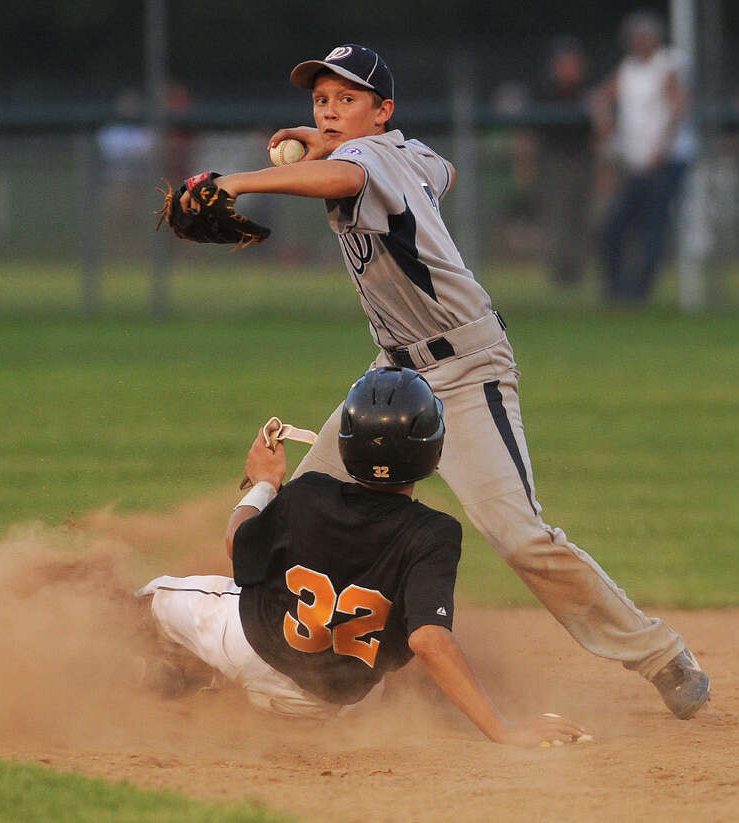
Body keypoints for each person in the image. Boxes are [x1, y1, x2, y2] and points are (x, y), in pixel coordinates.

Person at [171, 44, 710, 719]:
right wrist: (323, 143)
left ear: (382, 110)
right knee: (308, 509)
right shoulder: (404, 154)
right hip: (393, 372)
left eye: (346, 99)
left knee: (522, 538)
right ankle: (266, 658)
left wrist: (244, 182)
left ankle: (661, 654)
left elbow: (345, 179)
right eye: (320, 100)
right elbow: (441, 171)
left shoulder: (365, 162)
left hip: (466, 370)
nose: (329, 108)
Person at [139, 367, 588, 746]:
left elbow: (238, 548)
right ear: (433, 452)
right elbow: (429, 640)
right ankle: (198, 677)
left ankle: (135, 669)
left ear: (346, 442)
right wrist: (502, 729)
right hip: (327, 706)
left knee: (156, 596)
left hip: (246, 649)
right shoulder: (434, 533)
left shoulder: (309, 493)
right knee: (381, 674)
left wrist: (264, 482)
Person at [593, 12, 693, 304]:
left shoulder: (668, 64)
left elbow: (677, 109)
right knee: (614, 226)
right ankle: (616, 291)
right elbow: (600, 98)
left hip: (664, 163)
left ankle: (639, 294)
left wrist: (660, 150)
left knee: (653, 228)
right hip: (636, 163)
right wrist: (609, 137)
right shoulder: (627, 70)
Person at [533, 35, 595, 287]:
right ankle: (561, 279)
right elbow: (532, 134)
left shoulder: (587, 93)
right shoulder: (546, 93)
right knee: (558, 220)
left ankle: (577, 276)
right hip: (555, 162)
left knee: (581, 220)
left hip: (582, 161)